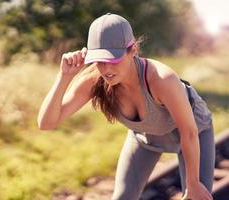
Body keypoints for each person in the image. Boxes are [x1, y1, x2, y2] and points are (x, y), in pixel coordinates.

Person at [37, 13, 215, 200]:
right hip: (145, 138)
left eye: (113, 59)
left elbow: (189, 132)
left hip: (193, 134)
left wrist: (193, 183)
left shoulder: (161, 79)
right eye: (99, 60)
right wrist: (64, 76)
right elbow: (46, 123)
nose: (106, 69)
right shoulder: (94, 79)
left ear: (133, 50)